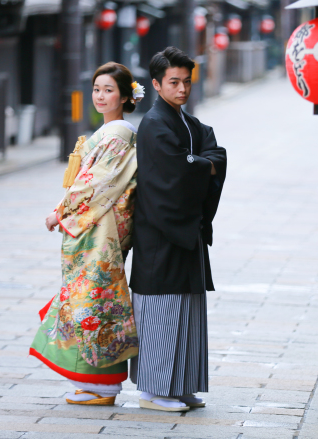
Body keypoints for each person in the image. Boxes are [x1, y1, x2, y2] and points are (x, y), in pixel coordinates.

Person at [29, 62, 145, 405]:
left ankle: (105, 386)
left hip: (100, 229)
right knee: (91, 300)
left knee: (94, 301)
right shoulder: (111, 131)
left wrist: (60, 212)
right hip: (98, 226)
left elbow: (96, 183)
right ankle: (97, 382)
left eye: (109, 90)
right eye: (97, 89)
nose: (101, 96)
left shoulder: (118, 133)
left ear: (125, 96)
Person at [130, 46, 227, 412]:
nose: (182, 89)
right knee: (161, 312)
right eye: (174, 82)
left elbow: (214, 151)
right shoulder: (154, 124)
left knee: (186, 312)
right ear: (156, 84)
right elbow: (178, 174)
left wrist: (203, 163)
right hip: (161, 232)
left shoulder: (184, 121)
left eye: (187, 82)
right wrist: (205, 164)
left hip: (185, 231)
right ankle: (152, 392)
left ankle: (180, 385)